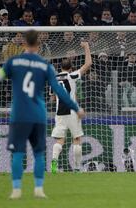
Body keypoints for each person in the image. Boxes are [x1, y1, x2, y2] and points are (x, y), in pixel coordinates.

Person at [0, 30, 85, 199]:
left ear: (24, 44)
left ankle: (17, 190)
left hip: (19, 113)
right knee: (39, 153)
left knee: (19, 153)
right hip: (38, 114)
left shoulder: (13, 62)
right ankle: (39, 190)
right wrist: (75, 107)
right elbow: (59, 91)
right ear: (38, 45)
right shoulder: (45, 65)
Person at [50, 42, 92, 173]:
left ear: (60, 67)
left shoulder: (54, 79)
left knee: (60, 140)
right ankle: (78, 167)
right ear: (71, 67)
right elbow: (88, 64)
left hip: (60, 112)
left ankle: (54, 162)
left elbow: (52, 98)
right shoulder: (72, 75)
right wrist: (86, 47)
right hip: (73, 111)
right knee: (77, 139)